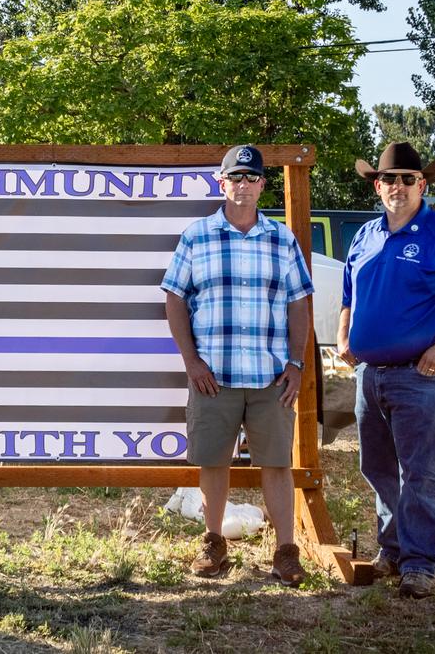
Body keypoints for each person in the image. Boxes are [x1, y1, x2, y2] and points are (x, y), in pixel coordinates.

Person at [336, 141, 435, 599]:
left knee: (421, 472)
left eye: (408, 179)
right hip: (371, 375)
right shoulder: (365, 235)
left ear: (422, 184)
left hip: (422, 377)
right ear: (377, 186)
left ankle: (420, 564)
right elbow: (348, 295)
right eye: (389, 178)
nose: (398, 186)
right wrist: (344, 337)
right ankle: (391, 551)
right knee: (379, 468)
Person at [161, 144, 314, 587]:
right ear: (220, 182)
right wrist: (191, 361)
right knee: (213, 462)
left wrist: (296, 364)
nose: (243, 185)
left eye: (252, 178)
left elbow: (299, 302)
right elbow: (174, 298)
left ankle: (286, 552)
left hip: (270, 376)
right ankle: (213, 543)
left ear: (263, 185)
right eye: (236, 177)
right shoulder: (197, 236)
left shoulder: (281, 238)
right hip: (214, 376)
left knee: (276, 464)